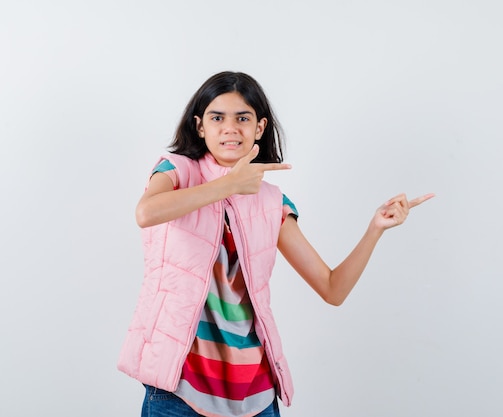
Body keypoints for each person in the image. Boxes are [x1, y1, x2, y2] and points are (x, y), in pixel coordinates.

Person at [118, 71, 435, 417]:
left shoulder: (272, 203)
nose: (230, 128)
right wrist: (229, 184)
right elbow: (146, 212)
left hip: (255, 395)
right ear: (200, 126)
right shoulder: (176, 171)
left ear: (259, 127)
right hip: (178, 391)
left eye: (243, 118)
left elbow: (333, 289)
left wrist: (375, 228)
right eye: (217, 117)